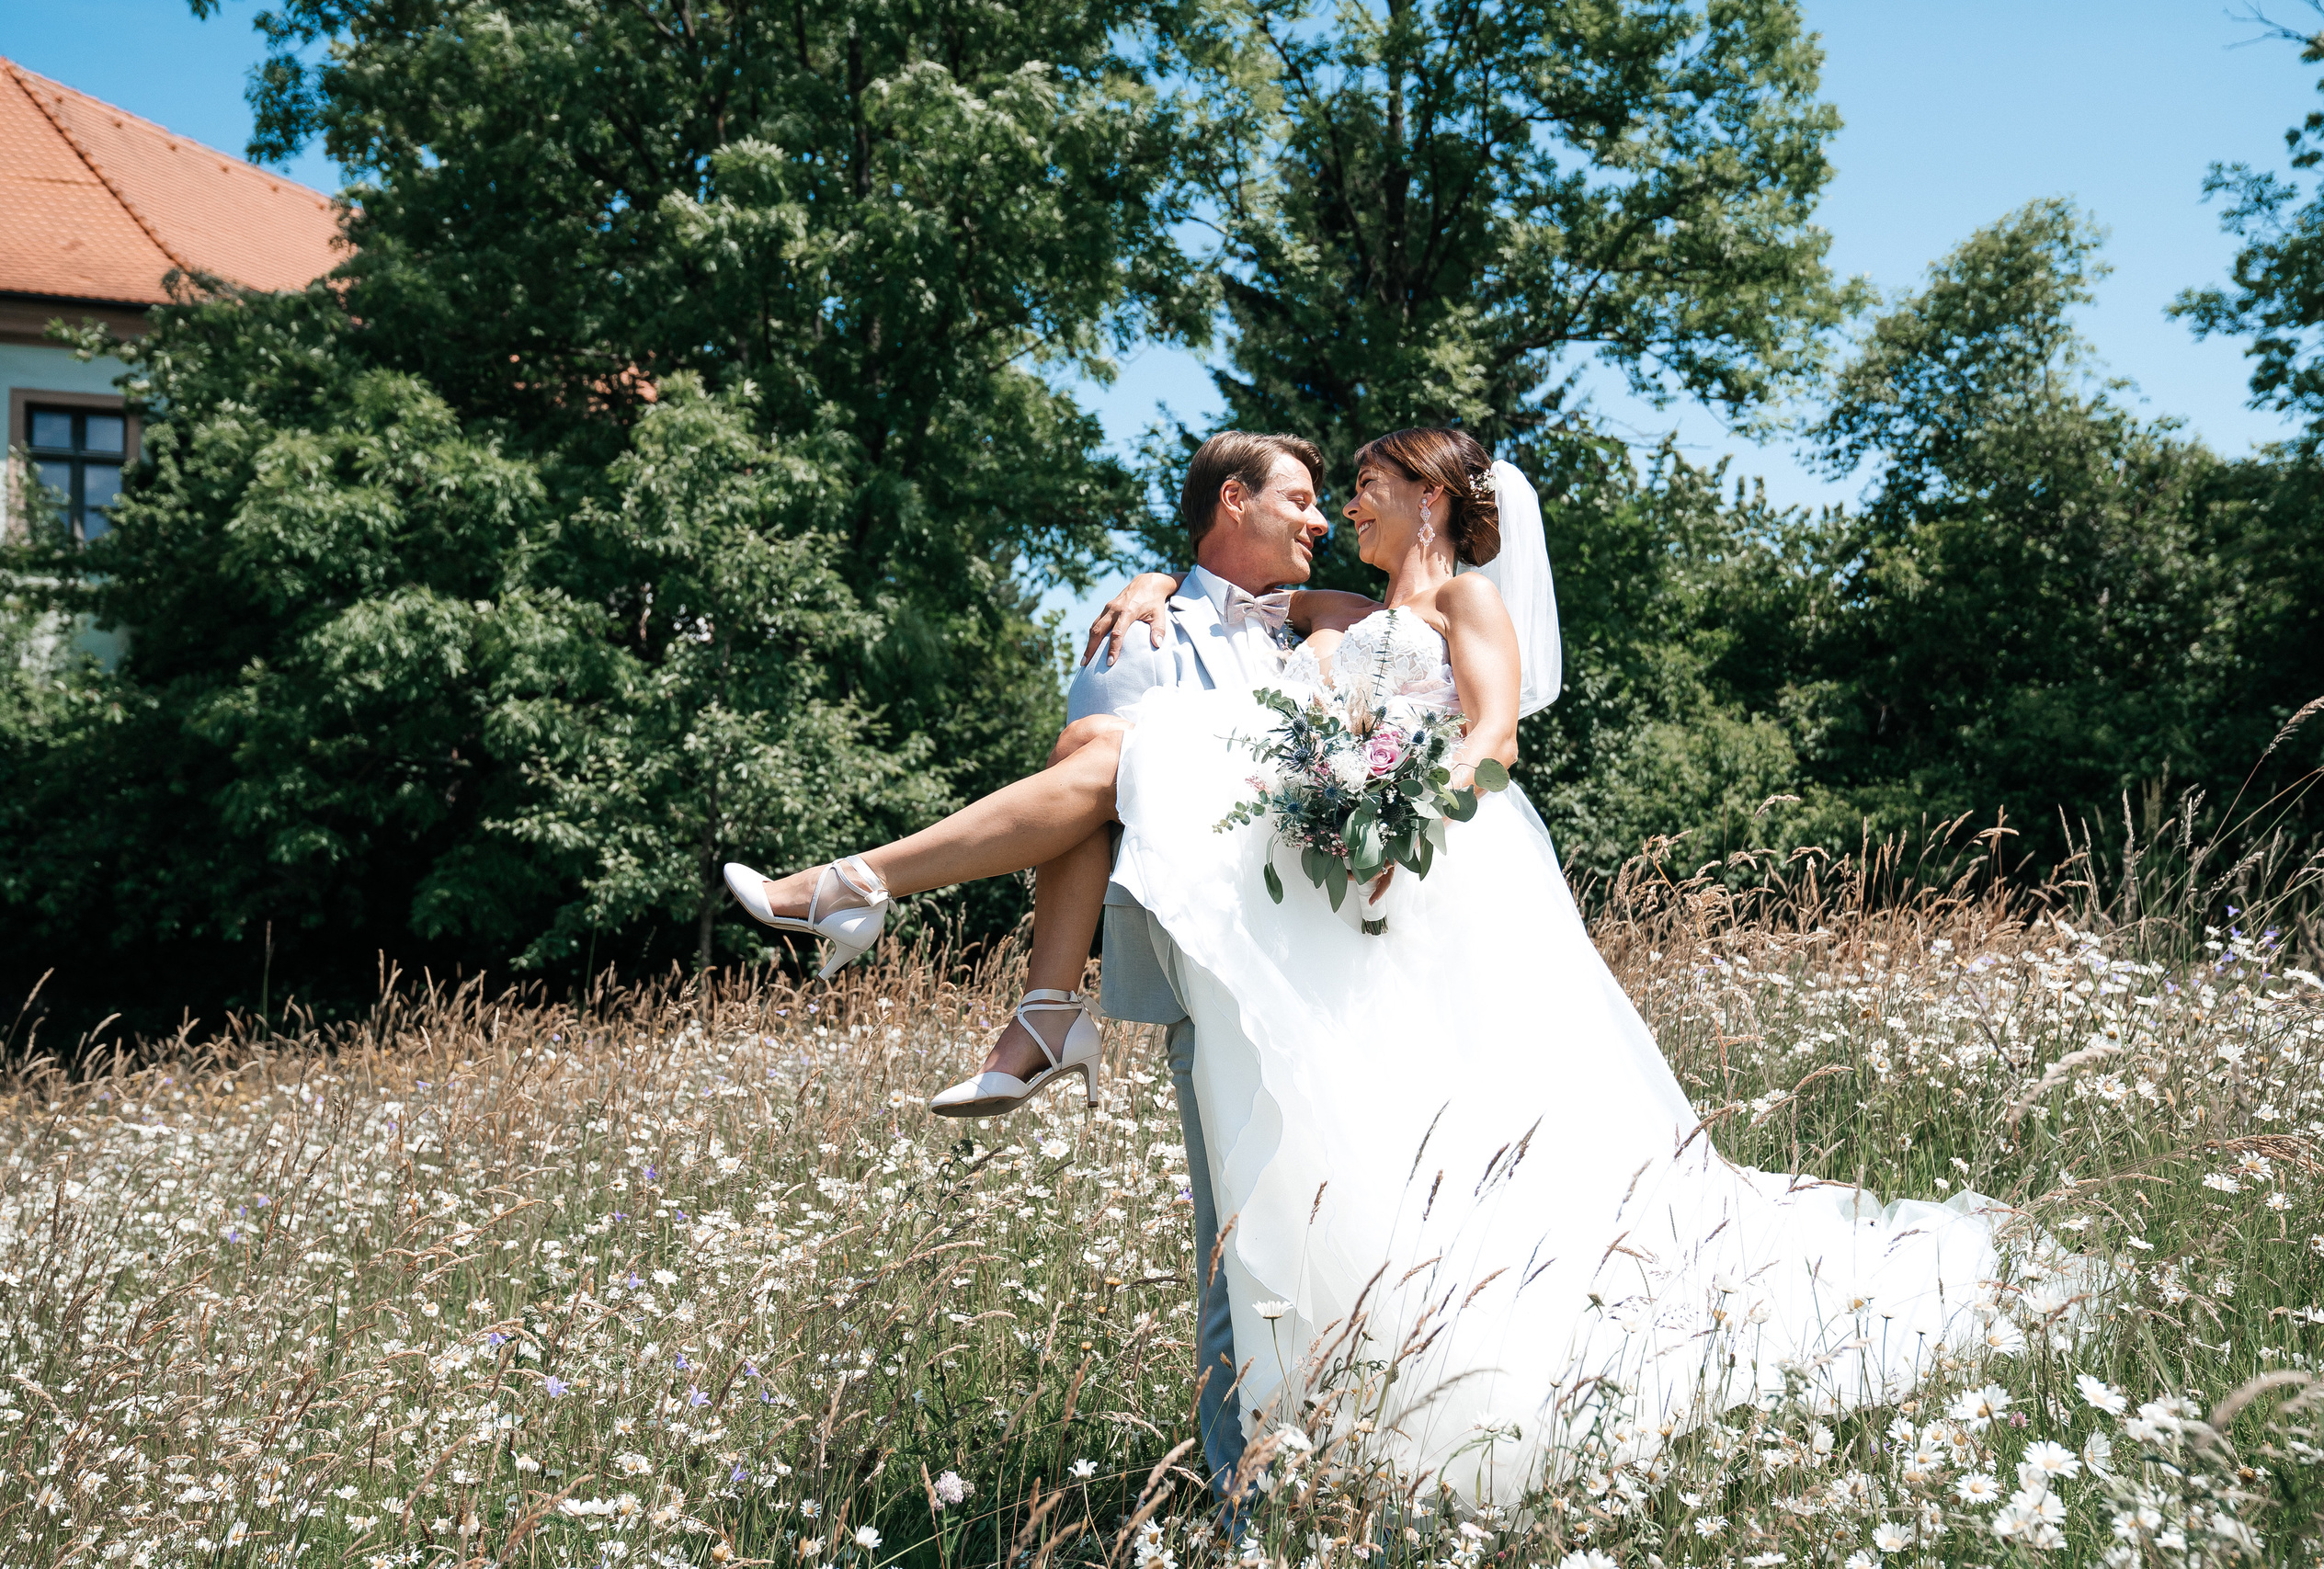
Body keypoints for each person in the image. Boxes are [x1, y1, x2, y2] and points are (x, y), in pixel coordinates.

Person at [725, 427, 2021, 1497]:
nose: (1343, 506)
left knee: (1469, 1155)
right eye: (1321, 489)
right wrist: (1156, 586)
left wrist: (1400, 808)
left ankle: (888, 916)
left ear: (1436, 496)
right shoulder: (1325, 614)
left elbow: (1494, 733)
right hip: (1305, 913)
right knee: (1286, 1186)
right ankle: (1282, 1466)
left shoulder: (1464, 597)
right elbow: (1259, 624)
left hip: (1434, 874)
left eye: (1365, 487)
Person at [724, 429, 1335, 1506]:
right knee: (1234, 1257)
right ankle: (1245, 1507)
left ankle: (883, 910)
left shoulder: (1326, 620)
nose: (1321, 520)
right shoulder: (1136, 629)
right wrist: (1154, 584)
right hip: (1217, 967)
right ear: (1232, 501)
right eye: (1299, 498)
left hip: (1332, 963)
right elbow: (1084, 810)